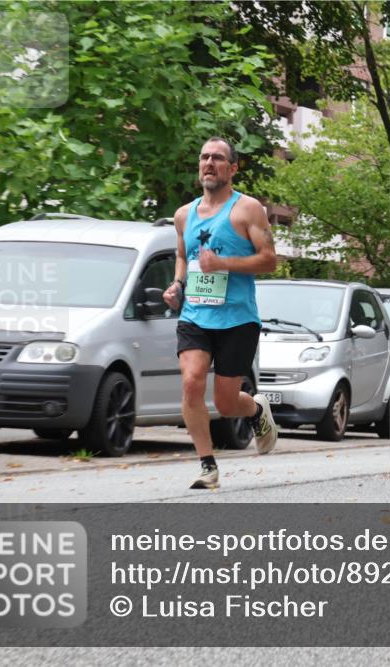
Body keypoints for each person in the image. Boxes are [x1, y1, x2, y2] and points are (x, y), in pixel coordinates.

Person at [163, 137, 278, 490]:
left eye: (217, 158)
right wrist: (178, 285)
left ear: (232, 168)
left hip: (238, 319)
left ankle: (257, 412)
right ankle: (206, 465)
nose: (209, 163)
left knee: (226, 404)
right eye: (204, 157)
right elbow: (183, 255)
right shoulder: (184, 215)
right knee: (191, 380)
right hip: (196, 314)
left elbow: (270, 260)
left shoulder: (248, 210)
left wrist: (224, 262)